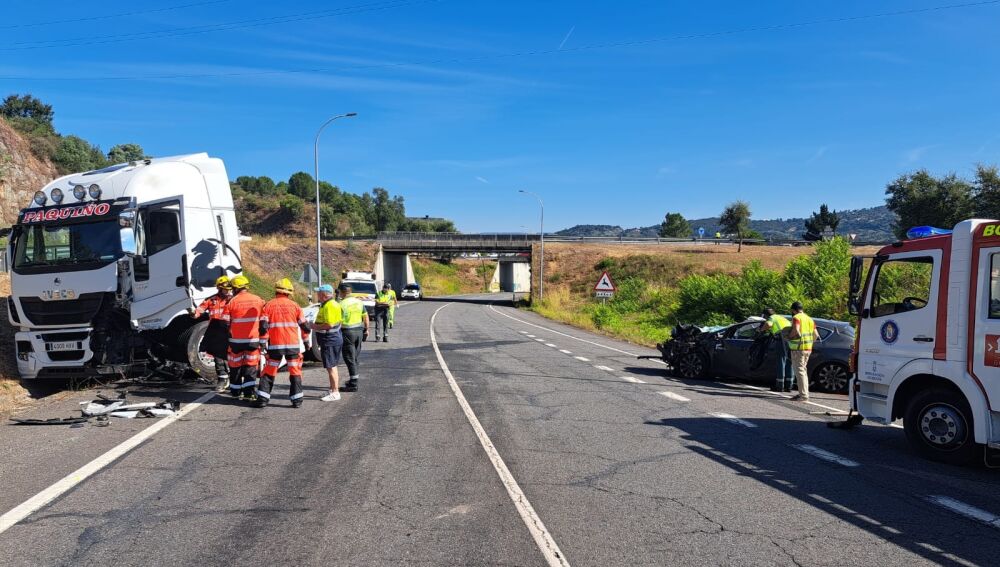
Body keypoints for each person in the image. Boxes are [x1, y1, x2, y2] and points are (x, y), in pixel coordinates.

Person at [255, 278, 310, 408]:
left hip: (275, 346)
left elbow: (263, 327)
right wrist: (306, 342)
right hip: (292, 346)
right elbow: (305, 326)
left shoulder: (268, 305)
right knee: (295, 371)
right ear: (289, 292)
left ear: (276, 290)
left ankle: (262, 399)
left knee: (269, 371)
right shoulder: (295, 306)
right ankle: (297, 400)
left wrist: (262, 343)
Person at [221, 274, 266, 401]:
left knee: (235, 366)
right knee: (250, 366)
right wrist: (263, 341)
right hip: (253, 341)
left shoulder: (231, 302)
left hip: (235, 342)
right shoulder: (258, 300)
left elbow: (224, 323)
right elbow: (264, 323)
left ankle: (235, 392)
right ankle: (248, 393)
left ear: (235, 288)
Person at [193, 275, 233, 392]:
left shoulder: (233, 300)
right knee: (218, 357)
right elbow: (199, 310)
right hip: (216, 332)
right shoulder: (211, 300)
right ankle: (222, 379)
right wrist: (193, 313)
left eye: (229, 289)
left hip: (231, 331)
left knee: (231, 357)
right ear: (219, 288)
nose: (228, 291)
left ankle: (234, 380)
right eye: (225, 289)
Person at [311, 284, 344, 402]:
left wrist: (314, 326)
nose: (317, 295)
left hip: (330, 339)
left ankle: (335, 392)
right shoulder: (330, 304)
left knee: (331, 367)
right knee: (331, 366)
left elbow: (329, 324)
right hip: (332, 338)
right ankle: (332, 390)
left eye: (318, 293)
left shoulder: (330, 306)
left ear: (324, 295)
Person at [338, 282, 369, 392]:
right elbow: (365, 316)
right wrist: (367, 329)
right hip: (359, 331)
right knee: (354, 357)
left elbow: (339, 321)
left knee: (349, 358)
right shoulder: (359, 302)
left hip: (347, 332)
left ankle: (353, 383)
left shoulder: (341, 304)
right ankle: (353, 378)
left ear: (342, 292)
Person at [788, 301, 817, 401]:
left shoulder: (796, 318)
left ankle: (803, 395)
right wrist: (810, 343)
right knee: (803, 371)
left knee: (799, 371)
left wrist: (789, 337)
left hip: (798, 349)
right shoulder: (810, 319)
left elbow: (796, 330)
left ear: (793, 310)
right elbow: (816, 335)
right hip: (808, 348)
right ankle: (804, 393)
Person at [760, 308, 793, 392]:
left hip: (781, 340)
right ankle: (789, 386)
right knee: (789, 362)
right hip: (790, 341)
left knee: (781, 362)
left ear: (766, 315)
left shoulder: (772, 318)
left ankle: (779, 386)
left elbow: (768, 324)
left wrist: (761, 330)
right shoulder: (781, 317)